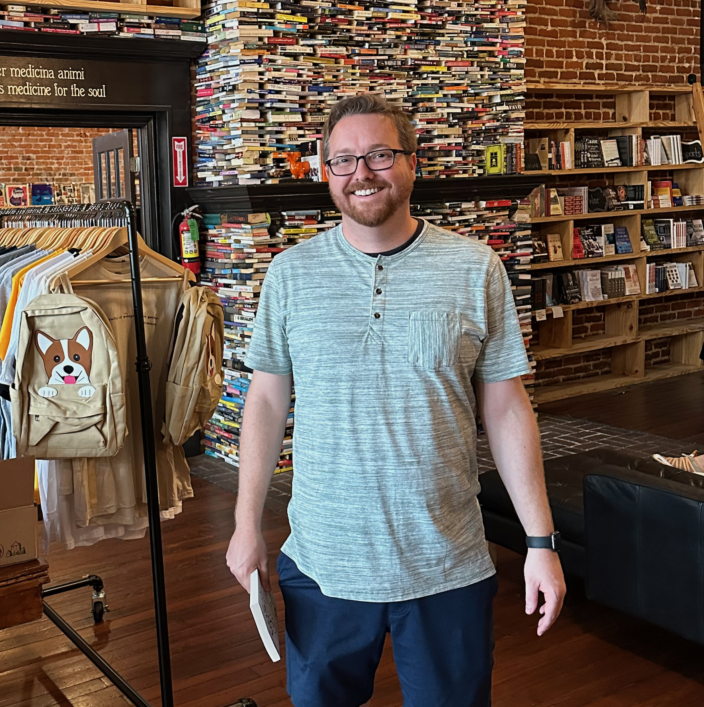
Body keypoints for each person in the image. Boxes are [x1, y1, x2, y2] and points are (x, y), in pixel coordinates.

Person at [225, 93, 567, 707]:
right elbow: (267, 402)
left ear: (412, 163)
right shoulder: (290, 274)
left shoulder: (475, 268)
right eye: (343, 160)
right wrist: (245, 525)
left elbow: (508, 406)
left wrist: (540, 543)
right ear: (326, 171)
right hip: (323, 563)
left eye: (379, 155)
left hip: (447, 563)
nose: (361, 173)